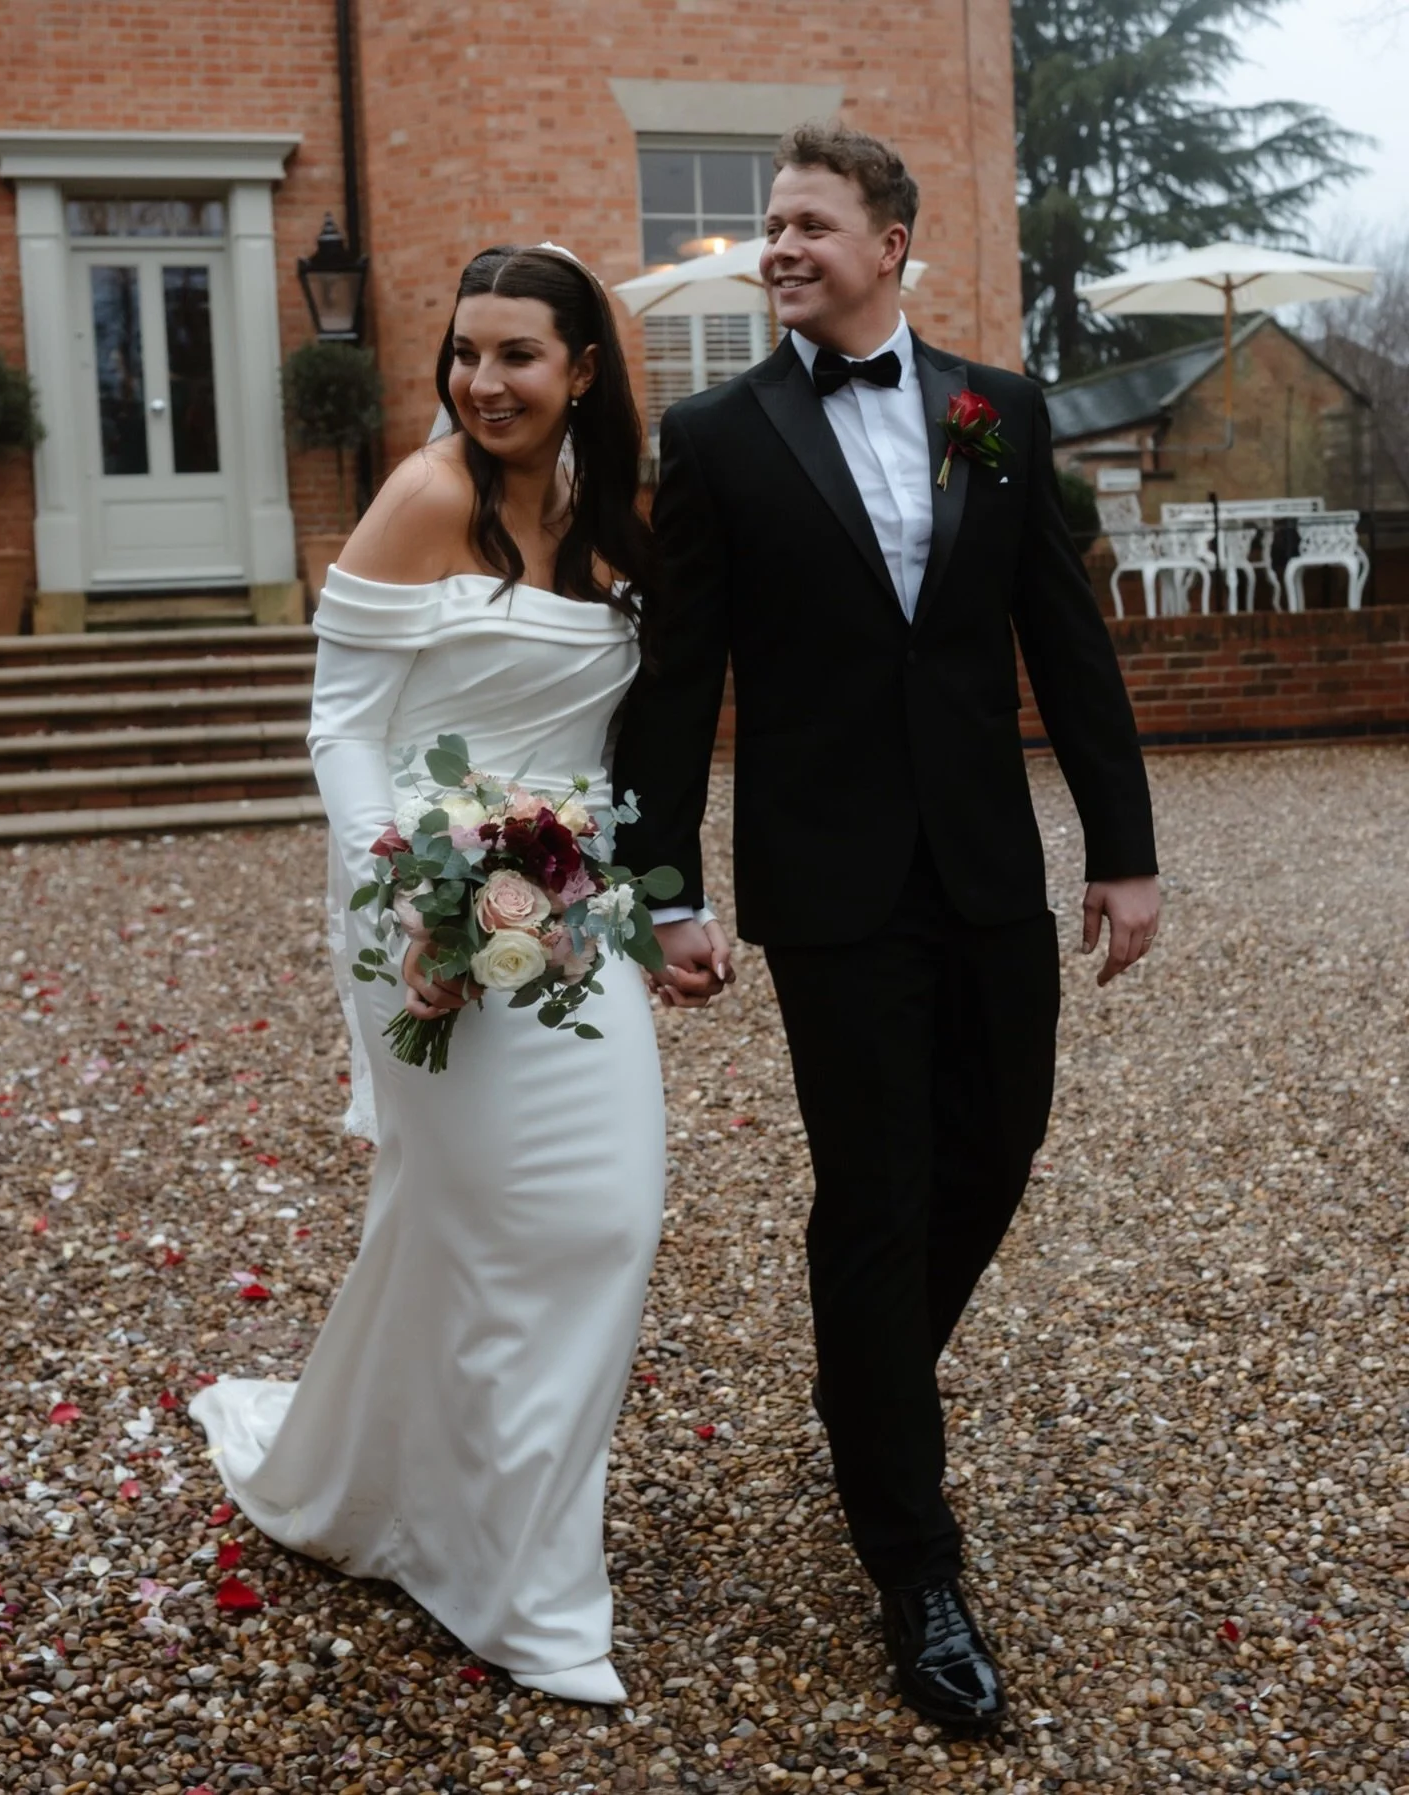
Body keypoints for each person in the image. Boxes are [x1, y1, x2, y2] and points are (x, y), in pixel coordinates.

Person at [612, 124, 1160, 1731]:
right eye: (769, 228)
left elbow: (1063, 634)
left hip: (987, 867)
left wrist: (1121, 849)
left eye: (804, 224)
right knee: (877, 1186)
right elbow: (677, 681)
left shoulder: (997, 407)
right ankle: (915, 1562)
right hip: (833, 884)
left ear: (892, 243)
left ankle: (865, 1384)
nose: (777, 246)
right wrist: (668, 888)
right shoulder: (714, 435)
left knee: (999, 1143)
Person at [191, 244, 730, 1704]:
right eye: (465, 353)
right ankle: (522, 1583)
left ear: (585, 372)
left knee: (602, 1210)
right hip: (414, 901)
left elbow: (639, 742)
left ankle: (415, 1493)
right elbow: (344, 718)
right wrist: (406, 869)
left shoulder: (619, 519)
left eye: (518, 356)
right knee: (496, 1221)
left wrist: (658, 894)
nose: (482, 382)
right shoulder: (426, 496)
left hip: (567, 899)